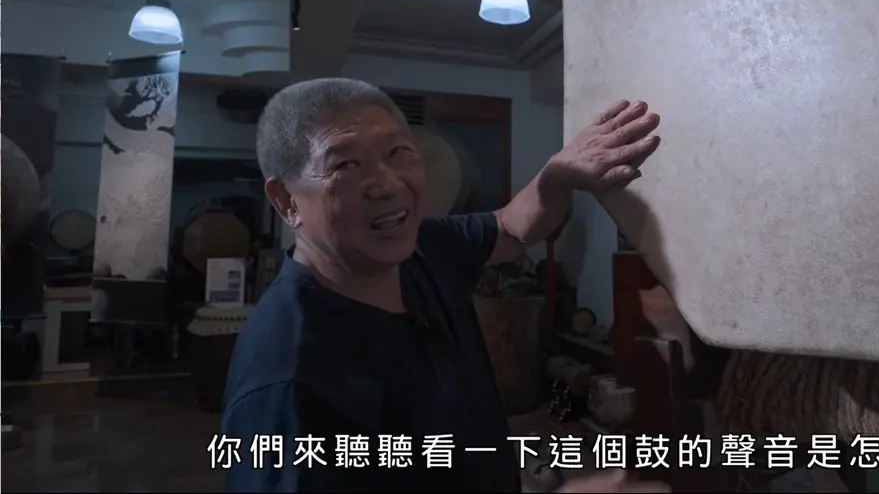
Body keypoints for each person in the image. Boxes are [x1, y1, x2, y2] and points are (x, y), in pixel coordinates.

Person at [221, 78, 667, 493]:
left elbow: (511, 228)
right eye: (345, 163)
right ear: (286, 201)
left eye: (398, 151)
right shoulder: (286, 381)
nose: (388, 183)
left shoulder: (421, 246)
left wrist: (558, 175)